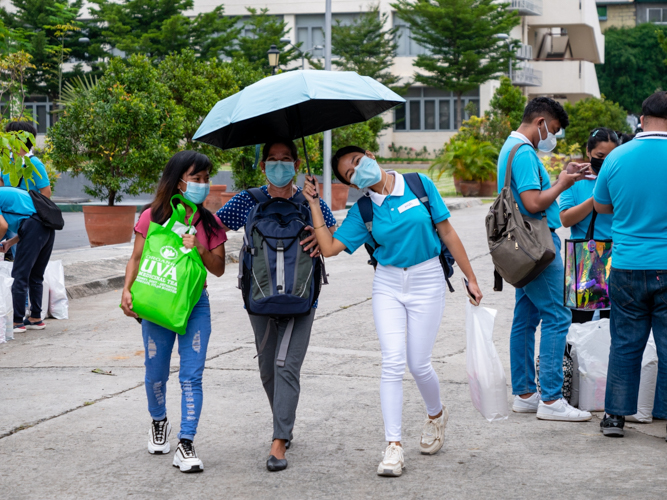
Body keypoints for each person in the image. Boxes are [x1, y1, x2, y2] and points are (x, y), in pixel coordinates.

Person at [301, 145, 482, 478]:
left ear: (370, 154)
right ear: (351, 184)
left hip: (427, 278)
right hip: (387, 283)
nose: (358, 171)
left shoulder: (418, 184)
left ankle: (435, 415)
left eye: (358, 162)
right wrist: (314, 203)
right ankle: (393, 446)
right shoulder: (365, 209)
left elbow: (447, 232)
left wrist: (471, 278)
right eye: (350, 174)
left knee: (418, 363)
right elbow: (329, 247)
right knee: (393, 361)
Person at [216, 139, 336, 472]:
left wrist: (317, 225)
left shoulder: (309, 201)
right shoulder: (247, 201)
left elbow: (332, 239)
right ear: (262, 165)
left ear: (298, 165)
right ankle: (284, 421)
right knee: (268, 369)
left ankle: (279, 440)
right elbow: (213, 229)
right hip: (259, 297)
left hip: (302, 298)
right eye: (272, 159)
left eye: (286, 159)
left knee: (286, 365)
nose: (278, 165)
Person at [121, 151, 227, 472]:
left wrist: (199, 247)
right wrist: (127, 289)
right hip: (157, 304)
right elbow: (137, 257)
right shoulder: (150, 216)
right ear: (178, 179)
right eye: (196, 178)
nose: (202, 185)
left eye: (206, 179)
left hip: (195, 305)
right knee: (155, 373)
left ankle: (186, 443)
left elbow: (219, 269)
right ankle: (158, 421)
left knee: (191, 376)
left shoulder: (209, 222)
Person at [497, 97, 592, 422]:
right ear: (540, 123)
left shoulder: (510, 148)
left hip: (520, 247)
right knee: (557, 315)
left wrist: (563, 176)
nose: (551, 137)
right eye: (552, 130)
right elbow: (533, 202)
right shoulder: (524, 153)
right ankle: (551, 399)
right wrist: (563, 184)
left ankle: (525, 393)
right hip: (538, 245)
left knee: (525, 317)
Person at [593, 91, 667, 438]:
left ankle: (614, 417)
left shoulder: (617, 156)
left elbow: (602, 206)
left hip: (626, 264)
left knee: (624, 342)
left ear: (642, 118)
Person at [560, 127, 618, 323]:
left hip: (616, 258)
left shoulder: (620, 180)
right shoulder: (575, 181)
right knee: (578, 322)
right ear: (588, 152)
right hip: (583, 260)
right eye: (600, 155)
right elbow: (566, 219)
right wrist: (597, 197)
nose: (605, 161)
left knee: (613, 321)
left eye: (611, 156)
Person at [0, 187, 55, 333]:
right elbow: (30, 219)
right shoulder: (8, 192)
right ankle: (35, 318)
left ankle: (17, 322)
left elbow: (3, 226)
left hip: (34, 227)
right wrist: (10, 242)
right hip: (47, 227)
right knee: (35, 275)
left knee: (19, 275)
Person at [0, 121, 51, 262]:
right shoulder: (5, 160)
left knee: (22, 261)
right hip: (6, 215)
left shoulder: (34, 163)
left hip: (24, 218)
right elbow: (2, 183)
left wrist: (37, 218)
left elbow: (46, 193)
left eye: (11, 135)